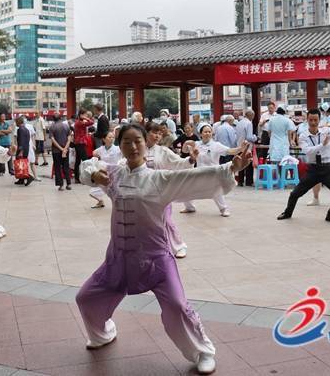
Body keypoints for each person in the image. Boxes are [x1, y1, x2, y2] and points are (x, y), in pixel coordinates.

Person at [76, 123, 251, 375]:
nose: (133, 146)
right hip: (117, 259)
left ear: (147, 145)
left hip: (155, 259)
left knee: (178, 306)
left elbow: (194, 177)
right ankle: (103, 334)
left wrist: (232, 167)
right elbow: (85, 166)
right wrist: (93, 174)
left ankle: (203, 351)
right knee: (86, 298)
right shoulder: (114, 174)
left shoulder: (159, 179)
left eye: (138, 141)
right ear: (121, 147)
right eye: (127, 142)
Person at [144, 122, 200, 258]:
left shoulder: (163, 151)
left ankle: (178, 246)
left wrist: (191, 159)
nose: (157, 136)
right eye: (154, 132)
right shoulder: (138, 149)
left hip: (162, 190)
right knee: (145, 222)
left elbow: (179, 163)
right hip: (143, 192)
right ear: (145, 133)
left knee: (166, 220)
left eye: (159, 133)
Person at [185, 125, 245, 217]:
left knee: (217, 191)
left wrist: (240, 149)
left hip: (213, 173)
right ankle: (189, 207)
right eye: (205, 132)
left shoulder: (216, 145)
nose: (208, 133)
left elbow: (230, 151)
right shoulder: (196, 144)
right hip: (199, 172)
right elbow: (185, 150)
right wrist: (186, 143)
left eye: (209, 132)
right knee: (188, 188)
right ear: (201, 134)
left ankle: (224, 209)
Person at [89, 131, 122, 208]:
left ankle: (119, 205)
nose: (112, 139)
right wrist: (97, 157)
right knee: (92, 192)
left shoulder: (118, 149)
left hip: (115, 174)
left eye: (113, 137)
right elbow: (93, 153)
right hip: (103, 174)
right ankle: (101, 201)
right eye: (109, 137)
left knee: (116, 192)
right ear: (104, 139)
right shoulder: (101, 149)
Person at [49, 114, 73, 191]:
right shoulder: (66, 126)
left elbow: (53, 140)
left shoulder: (52, 127)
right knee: (66, 166)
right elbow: (69, 139)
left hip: (56, 151)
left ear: (53, 119)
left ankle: (61, 185)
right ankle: (68, 184)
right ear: (61, 118)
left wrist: (61, 149)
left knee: (57, 167)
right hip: (66, 150)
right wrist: (65, 149)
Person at [235, 109, 257, 187]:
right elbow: (249, 137)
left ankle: (240, 181)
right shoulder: (249, 123)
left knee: (240, 164)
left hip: (239, 146)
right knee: (248, 164)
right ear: (251, 115)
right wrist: (255, 137)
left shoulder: (239, 122)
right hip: (247, 147)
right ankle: (249, 181)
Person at [73, 110, 94, 183]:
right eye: (85, 115)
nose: (86, 116)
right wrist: (87, 118)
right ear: (81, 115)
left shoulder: (78, 122)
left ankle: (77, 178)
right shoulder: (79, 122)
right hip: (80, 143)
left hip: (78, 143)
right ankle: (87, 178)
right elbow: (91, 122)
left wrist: (84, 118)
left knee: (78, 161)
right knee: (85, 161)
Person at [13, 117, 35, 187]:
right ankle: (21, 180)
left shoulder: (20, 130)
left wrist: (20, 151)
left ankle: (29, 177)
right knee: (22, 164)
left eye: (16, 122)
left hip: (21, 150)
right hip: (26, 149)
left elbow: (21, 141)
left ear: (19, 122)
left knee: (20, 165)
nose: (15, 123)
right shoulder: (26, 129)